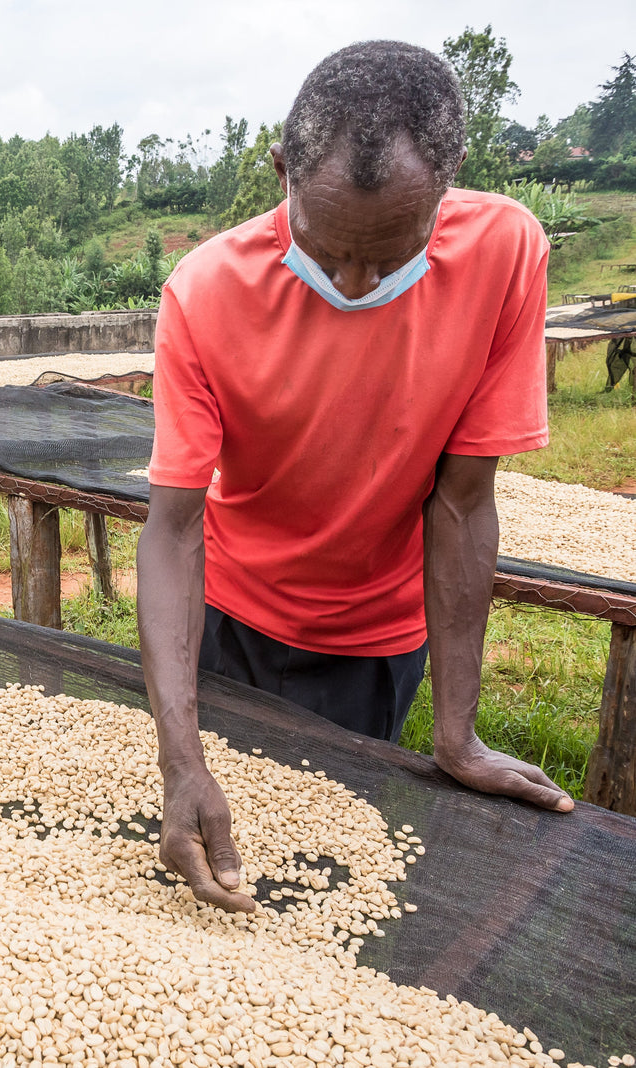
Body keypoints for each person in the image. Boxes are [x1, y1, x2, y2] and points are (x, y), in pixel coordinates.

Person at [135, 40, 574, 915]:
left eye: (387, 253)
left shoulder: (504, 253)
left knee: (319, 882)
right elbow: (175, 527)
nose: (353, 281)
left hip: (380, 637)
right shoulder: (205, 291)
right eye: (328, 246)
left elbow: (462, 501)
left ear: (444, 190)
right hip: (229, 615)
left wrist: (458, 737)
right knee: (204, 862)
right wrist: (178, 756)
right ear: (281, 174)